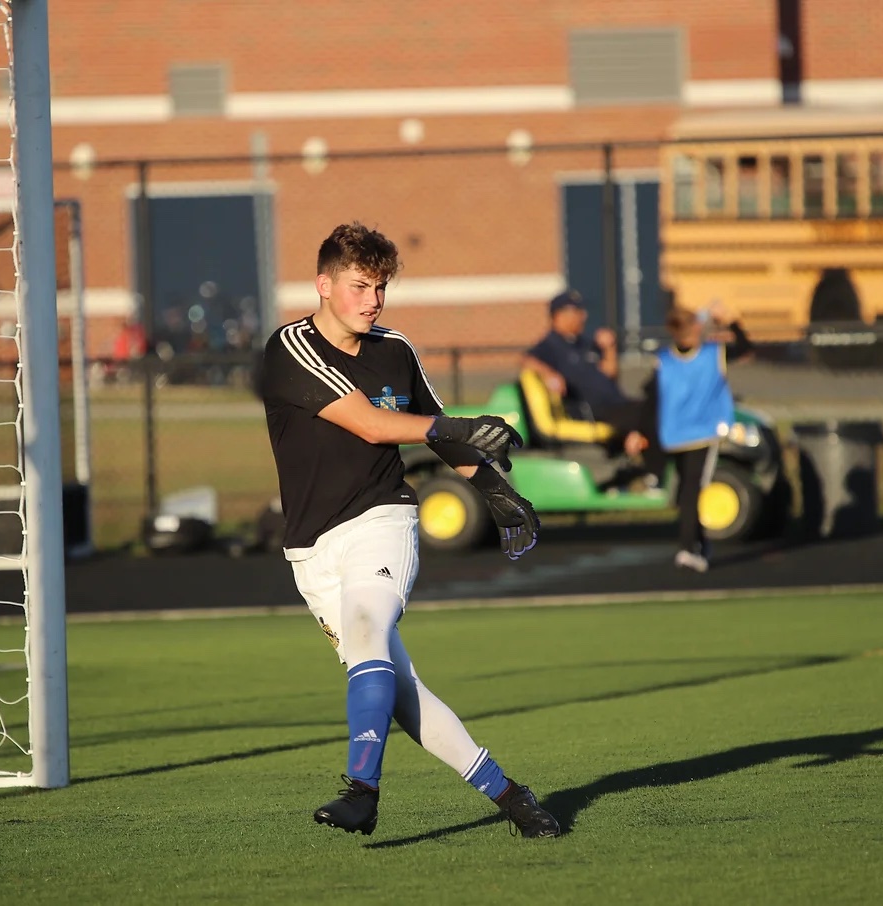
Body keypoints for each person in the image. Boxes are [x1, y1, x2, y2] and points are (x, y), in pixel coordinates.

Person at [258, 221, 560, 840]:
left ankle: (361, 790)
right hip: (313, 550)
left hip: (383, 517)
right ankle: (510, 796)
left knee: (369, 631)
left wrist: (499, 492)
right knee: (399, 692)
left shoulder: (395, 347)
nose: (372, 300)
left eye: (380, 287)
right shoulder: (290, 348)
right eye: (359, 285)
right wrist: (455, 429)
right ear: (323, 284)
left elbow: (436, 424)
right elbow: (373, 424)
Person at [521, 290, 665, 481]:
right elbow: (527, 360)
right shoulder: (550, 345)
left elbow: (609, 373)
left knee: (654, 409)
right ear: (560, 315)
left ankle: (638, 456)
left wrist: (609, 348)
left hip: (616, 404)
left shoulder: (584, 344)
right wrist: (549, 374)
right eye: (578, 312)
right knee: (646, 413)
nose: (584, 316)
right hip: (591, 410)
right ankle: (654, 475)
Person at [654, 301, 754, 573]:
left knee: (687, 490)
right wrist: (730, 321)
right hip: (700, 434)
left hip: (673, 436)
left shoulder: (665, 358)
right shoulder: (711, 355)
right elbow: (745, 348)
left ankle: (696, 544)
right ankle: (689, 548)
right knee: (692, 492)